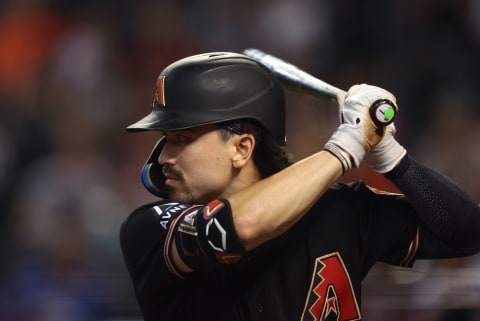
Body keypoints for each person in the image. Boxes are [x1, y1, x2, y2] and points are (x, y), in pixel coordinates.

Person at [120, 52, 480, 321]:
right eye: (166, 138)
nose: (165, 155)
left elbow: (465, 232)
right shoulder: (150, 225)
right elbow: (237, 226)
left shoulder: (342, 210)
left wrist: (392, 158)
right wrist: (347, 146)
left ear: (242, 148)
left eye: (181, 137)